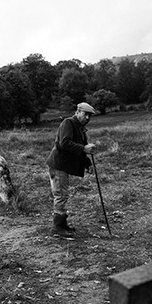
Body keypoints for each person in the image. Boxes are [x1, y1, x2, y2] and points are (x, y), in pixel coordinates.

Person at [45, 102, 98, 238]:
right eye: (85, 114)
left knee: (63, 194)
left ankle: (62, 225)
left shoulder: (80, 128)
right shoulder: (68, 123)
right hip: (58, 165)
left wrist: (88, 164)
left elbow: (81, 148)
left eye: (90, 116)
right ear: (78, 112)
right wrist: (84, 148)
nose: (87, 118)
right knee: (61, 195)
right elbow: (65, 143)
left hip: (63, 165)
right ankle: (57, 227)